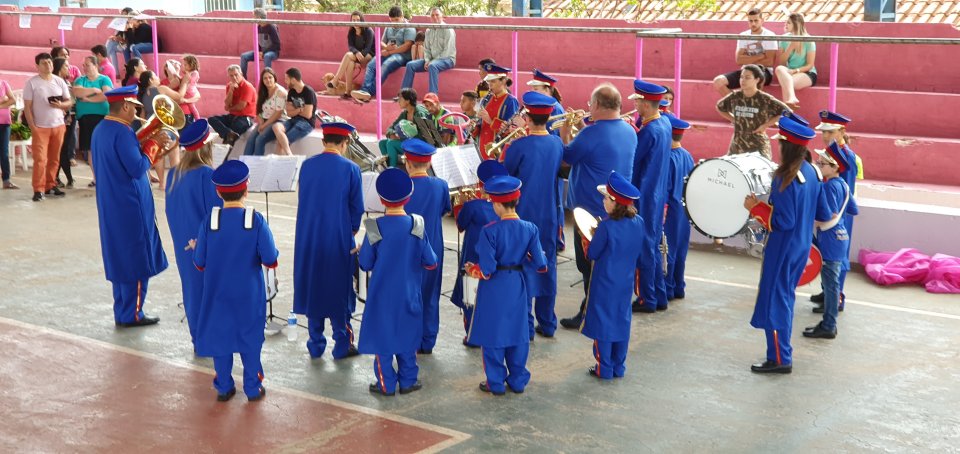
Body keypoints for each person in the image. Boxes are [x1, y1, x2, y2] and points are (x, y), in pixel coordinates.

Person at [742, 115, 830, 374]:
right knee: (784, 298)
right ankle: (780, 354)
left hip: (782, 248)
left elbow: (782, 220)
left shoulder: (786, 177)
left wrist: (756, 207)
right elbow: (822, 212)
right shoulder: (812, 171)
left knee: (775, 300)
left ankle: (780, 358)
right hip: (802, 246)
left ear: (787, 146)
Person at [193, 159, 278, 402]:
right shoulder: (255, 220)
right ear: (246, 189)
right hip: (248, 294)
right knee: (250, 337)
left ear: (218, 192)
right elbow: (270, 258)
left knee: (221, 337)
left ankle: (224, 386)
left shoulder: (210, 221)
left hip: (217, 293)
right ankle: (252, 387)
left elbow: (199, 262)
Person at [557, 83, 637, 329]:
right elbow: (597, 150)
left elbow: (567, 156)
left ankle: (589, 313)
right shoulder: (628, 130)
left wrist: (565, 131)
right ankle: (598, 310)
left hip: (589, 212)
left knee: (588, 266)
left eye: (591, 104)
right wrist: (582, 129)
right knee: (607, 265)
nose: (588, 107)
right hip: (616, 208)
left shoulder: (591, 134)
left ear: (599, 106)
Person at [91, 85, 168, 327]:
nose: (137, 112)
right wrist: (152, 146)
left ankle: (123, 310)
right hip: (130, 205)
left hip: (111, 203)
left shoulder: (101, 129)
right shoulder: (122, 132)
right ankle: (133, 313)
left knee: (120, 256)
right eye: (134, 107)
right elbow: (136, 167)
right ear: (124, 105)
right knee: (136, 257)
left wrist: (143, 140)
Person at [464, 175, 548, 395]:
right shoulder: (531, 228)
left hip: (495, 286)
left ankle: (496, 382)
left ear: (499, 204)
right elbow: (541, 264)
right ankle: (518, 380)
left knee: (493, 333)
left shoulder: (489, 231)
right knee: (517, 331)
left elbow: (487, 269)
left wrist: (471, 268)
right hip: (518, 284)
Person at [358, 168, 438, 396]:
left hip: (381, 295)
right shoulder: (417, 224)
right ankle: (408, 380)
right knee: (408, 334)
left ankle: (386, 383)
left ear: (382, 199)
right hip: (409, 293)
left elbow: (365, 263)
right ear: (409, 198)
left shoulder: (374, 227)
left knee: (383, 339)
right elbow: (431, 262)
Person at [293, 122, 364, 360]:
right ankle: (342, 344)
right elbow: (357, 209)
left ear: (324, 142)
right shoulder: (351, 169)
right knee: (338, 288)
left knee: (314, 285)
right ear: (344, 144)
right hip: (337, 235)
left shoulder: (307, 166)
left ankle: (315, 344)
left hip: (308, 236)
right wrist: (350, 231)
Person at [503, 92, 563, 338]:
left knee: (523, 266)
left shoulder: (518, 146)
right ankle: (548, 322)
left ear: (526, 116)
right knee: (546, 264)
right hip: (549, 215)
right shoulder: (557, 144)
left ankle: (526, 326)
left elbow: (506, 178)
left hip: (523, 214)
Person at [580, 172, 645, 379]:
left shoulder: (607, 226)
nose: (603, 200)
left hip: (604, 282)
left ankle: (604, 368)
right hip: (625, 282)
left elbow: (593, 253)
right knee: (621, 321)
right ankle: (619, 366)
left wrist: (588, 239)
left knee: (603, 323)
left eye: (606, 197)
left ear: (615, 202)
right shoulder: (639, 222)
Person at [164, 120, 222, 347]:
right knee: (210, 291)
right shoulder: (208, 175)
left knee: (192, 288)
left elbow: (170, 210)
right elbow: (216, 216)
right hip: (206, 245)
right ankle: (210, 339)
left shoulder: (174, 174)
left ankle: (198, 337)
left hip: (182, 240)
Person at [402, 138, 452, 354]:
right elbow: (445, 211)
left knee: (408, 293)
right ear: (429, 164)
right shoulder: (440, 185)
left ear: (407, 163)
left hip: (406, 249)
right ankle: (427, 340)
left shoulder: (403, 186)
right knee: (430, 294)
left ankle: (407, 338)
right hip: (433, 247)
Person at [451, 160, 506, 347]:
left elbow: (460, 225)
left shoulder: (473, 206)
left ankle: (472, 336)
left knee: (470, 298)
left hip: (473, 258)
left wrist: (461, 204)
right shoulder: (505, 207)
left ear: (480, 183)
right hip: (497, 258)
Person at [628, 80, 672, 313]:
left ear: (646, 103)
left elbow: (633, 161)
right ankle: (659, 294)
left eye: (637, 101)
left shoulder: (649, 131)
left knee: (644, 246)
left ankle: (647, 297)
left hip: (643, 195)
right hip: (656, 193)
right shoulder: (663, 123)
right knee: (653, 245)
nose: (635, 104)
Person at [810, 111, 859, 311]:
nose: (825, 136)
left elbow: (846, 188)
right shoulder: (831, 153)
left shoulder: (846, 156)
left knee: (838, 258)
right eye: (824, 132)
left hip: (838, 214)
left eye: (830, 132)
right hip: (830, 209)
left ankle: (836, 297)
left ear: (841, 131)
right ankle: (827, 292)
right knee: (826, 254)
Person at [803, 149, 850, 340]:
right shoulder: (843, 185)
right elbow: (852, 208)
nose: (819, 166)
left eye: (822, 164)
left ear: (835, 167)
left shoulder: (830, 186)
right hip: (840, 236)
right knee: (832, 283)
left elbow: (828, 215)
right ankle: (828, 322)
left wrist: (808, 221)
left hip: (830, 238)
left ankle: (829, 324)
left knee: (831, 285)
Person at [23, 53, 72, 202]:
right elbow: (27, 107)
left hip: (58, 125)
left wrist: (60, 105)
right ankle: (38, 189)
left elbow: (69, 101)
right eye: (44, 63)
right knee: (40, 159)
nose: (48, 65)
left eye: (50, 62)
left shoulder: (59, 81)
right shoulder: (32, 83)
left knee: (54, 159)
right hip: (41, 127)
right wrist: (33, 126)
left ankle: (50, 185)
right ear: (37, 66)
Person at [715, 64, 790, 158]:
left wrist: (765, 125)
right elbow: (720, 107)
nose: (743, 80)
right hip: (737, 146)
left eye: (747, 77)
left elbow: (787, 112)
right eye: (741, 77)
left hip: (758, 146)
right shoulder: (735, 97)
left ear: (757, 80)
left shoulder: (764, 99)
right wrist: (733, 119)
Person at [351, 6, 416, 102]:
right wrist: (386, 47)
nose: (394, 23)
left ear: (402, 17)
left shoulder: (409, 28)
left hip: (402, 56)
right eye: (392, 20)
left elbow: (407, 46)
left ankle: (368, 92)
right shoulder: (388, 26)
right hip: (388, 52)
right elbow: (381, 41)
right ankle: (364, 91)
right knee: (371, 64)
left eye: (396, 20)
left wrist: (389, 52)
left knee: (385, 66)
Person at [712, 8, 777, 96]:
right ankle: (737, 104)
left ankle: (753, 107)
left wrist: (747, 58)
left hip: (764, 71)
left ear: (762, 21)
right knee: (718, 81)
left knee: (753, 79)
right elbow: (739, 60)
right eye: (750, 21)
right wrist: (760, 56)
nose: (753, 23)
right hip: (745, 71)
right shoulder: (743, 35)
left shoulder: (770, 35)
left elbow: (769, 62)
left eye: (756, 21)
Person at [664, 115, 695, 300]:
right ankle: (678, 286)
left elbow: (666, 187)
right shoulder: (687, 155)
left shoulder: (667, 158)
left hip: (671, 210)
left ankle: (667, 287)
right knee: (681, 248)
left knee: (668, 249)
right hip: (684, 210)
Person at [72, 56, 113, 187]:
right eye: (83, 65)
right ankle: (96, 178)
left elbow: (107, 94)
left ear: (96, 66)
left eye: (87, 65)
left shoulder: (104, 79)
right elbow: (77, 92)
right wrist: (95, 91)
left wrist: (89, 99)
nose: (84, 68)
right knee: (90, 149)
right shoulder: (80, 80)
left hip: (102, 117)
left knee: (104, 148)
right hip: (86, 119)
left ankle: (107, 176)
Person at [401, 7, 457, 95]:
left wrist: (431, 62)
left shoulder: (448, 30)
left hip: (447, 59)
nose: (435, 17)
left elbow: (447, 51)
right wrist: (427, 60)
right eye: (432, 15)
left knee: (432, 66)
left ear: (442, 16)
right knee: (410, 65)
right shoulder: (428, 30)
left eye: (437, 15)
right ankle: (404, 94)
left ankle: (432, 96)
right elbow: (426, 49)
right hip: (432, 60)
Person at [475, 64, 520, 160]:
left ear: (503, 81)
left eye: (493, 81)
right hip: (482, 148)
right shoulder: (487, 99)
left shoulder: (510, 101)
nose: (490, 85)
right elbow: (481, 124)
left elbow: (512, 130)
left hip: (499, 152)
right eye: (489, 82)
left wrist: (490, 121)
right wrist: (474, 127)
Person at [378, 88, 432, 167]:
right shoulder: (405, 113)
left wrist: (403, 137)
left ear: (408, 101)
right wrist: (392, 134)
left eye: (400, 99)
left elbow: (427, 137)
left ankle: (393, 170)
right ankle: (390, 167)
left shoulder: (420, 114)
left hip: (420, 146)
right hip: (409, 143)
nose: (398, 101)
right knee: (382, 143)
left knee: (391, 144)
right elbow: (390, 128)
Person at [325, 11, 374, 96]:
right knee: (350, 63)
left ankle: (336, 80)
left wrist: (358, 61)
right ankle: (348, 91)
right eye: (353, 20)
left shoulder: (368, 31)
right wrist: (356, 53)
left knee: (348, 55)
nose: (355, 22)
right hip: (356, 56)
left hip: (369, 56)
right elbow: (351, 46)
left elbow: (367, 49)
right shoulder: (351, 32)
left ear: (362, 20)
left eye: (358, 20)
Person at [775, 13, 817, 110]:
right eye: (786, 22)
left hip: (807, 73)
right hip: (790, 73)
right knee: (779, 69)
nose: (785, 24)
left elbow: (810, 65)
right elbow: (781, 62)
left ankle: (786, 112)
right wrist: (791, 47)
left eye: (788, 23)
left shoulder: (809, 40)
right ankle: (791, 99)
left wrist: (794, 71)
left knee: (786, 82)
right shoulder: (784, 39)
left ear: (796, 24)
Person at [243, 67, 288, 156]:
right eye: (265, 78)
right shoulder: (263, 91)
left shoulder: (280, 92)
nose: (268, 80)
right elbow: (258, 109)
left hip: (278, 121)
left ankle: (258, 165)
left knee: (260, 140)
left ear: (274, 78)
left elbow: (278, 113)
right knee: (251, 139)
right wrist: (261, 122)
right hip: (264, 120)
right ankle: (244, 164)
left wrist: (264, 125)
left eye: (270, 77)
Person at [208, 65, 256, 146]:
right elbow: (227, 103)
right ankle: (229, 134)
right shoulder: (229, 85)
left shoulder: (247, 87)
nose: (234, 77)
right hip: (232, 115)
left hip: (245, 118)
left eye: (236, 75)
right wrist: (231, 90)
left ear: (241, 74)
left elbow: (241, 106)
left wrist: (229, 108)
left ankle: (229, 138)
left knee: (233, 131)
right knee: (211, 119)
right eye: (231, 75)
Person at [52, 58, 77, 190]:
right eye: (66, 66)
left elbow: (71, 101)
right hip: (62, 120)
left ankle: (59, 177)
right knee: (62, 149)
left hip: (70, 118)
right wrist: (66, 114)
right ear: (60, 68)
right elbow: (57, 102)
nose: (69, 68)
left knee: (64, 149)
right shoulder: (55, 82)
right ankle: (65, 178)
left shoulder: (65, 81)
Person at [240, 8, 282, 79]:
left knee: (267, 56)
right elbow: (259, 42)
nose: (252, 19)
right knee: (244, 56)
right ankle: (243, 80)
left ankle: (269, 79)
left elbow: (277, 44)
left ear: (258, 18)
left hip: (273, 52)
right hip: (262, 52)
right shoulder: (258, 27)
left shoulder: (271, 27)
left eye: (254, 17)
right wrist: (259, 52)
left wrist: (263, 52)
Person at [526, 69, 565, 135]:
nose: (532, 91)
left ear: (547, 90)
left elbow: (548, 135)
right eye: (532, 88)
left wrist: (524, 126)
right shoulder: (546, 105)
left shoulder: (554, 108)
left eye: (536, 89)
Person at [104, 7, 136, 75]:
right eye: (122, 15)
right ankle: (116, 74)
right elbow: (120, 37)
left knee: (111, 47)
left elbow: (130, 41)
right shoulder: (122, 24)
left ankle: (103, 60)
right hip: (122, 45)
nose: (123, 17)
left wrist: (128, 29)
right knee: (110, 43)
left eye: (125, 15)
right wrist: (115, 37)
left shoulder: (132, 24)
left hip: (129, 46)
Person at [0, 77, 16, 189]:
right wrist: (3, 99)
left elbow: (12, 100)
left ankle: (6, 180)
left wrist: (2, 103)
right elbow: (7, 99)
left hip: (5, 123)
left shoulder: (3, 83)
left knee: (4, 152)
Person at [180, 54, 202, 121]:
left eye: (185, 65)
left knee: (192, 107)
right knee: (190, 106)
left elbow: (191, 81)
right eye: (183, 65)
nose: (184, 66)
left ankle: (198, 120)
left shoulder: (195, 72)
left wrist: (186, 74)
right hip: (187, 91)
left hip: (190, 92)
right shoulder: (189, 72)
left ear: (191, 65)